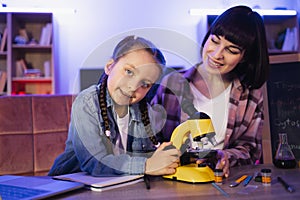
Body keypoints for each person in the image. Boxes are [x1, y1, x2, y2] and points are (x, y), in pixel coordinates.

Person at [151, 5, 270, 178]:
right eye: (214, 41)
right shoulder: (172, 84)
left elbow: (250, 149)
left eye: (232, 50)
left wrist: (225, 157)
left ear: (244, 56)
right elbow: (149, 138)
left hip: (220, 181)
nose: (217, 54)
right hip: (171, 181)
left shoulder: (251, 96)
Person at [48, 35, 181, 177]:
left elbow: (148, 158)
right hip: (71, 185)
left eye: (145, 84)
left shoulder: (145, 112)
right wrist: (146, 165)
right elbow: (94, 163)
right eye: (129, 72)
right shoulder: (86, 103)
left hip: (120, 186)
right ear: (109, 66)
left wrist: (167, 159)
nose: (133, 87)